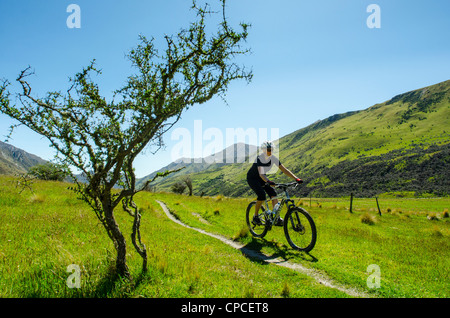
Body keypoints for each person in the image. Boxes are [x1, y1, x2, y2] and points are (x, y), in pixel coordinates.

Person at [247, 141, 303, 226]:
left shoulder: (273, 158)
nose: (270, 151)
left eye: (272, 149)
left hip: (263, 179)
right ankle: (255, 217)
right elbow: (261, 174)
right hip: (253, 179)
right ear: (263, 150)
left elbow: (284, 170)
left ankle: (276, 218)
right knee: (262, 195)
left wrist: (296, 178)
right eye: (269, 149)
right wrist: (268, 181)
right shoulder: (259, 158)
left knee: (273, 193)